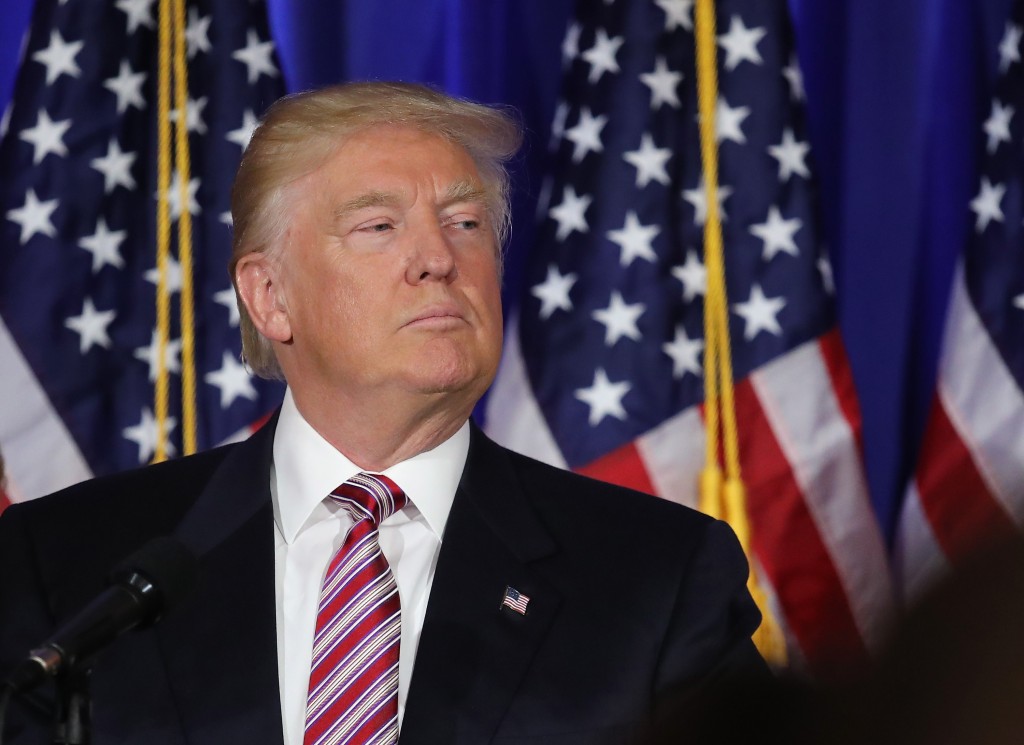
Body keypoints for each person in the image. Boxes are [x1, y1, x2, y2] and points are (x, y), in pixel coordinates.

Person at [0, 82, 768, 745]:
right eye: (379, 226)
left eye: (465, 223)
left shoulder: (658, 577)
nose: (439, 257)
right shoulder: (63, 565)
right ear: (270, 296)